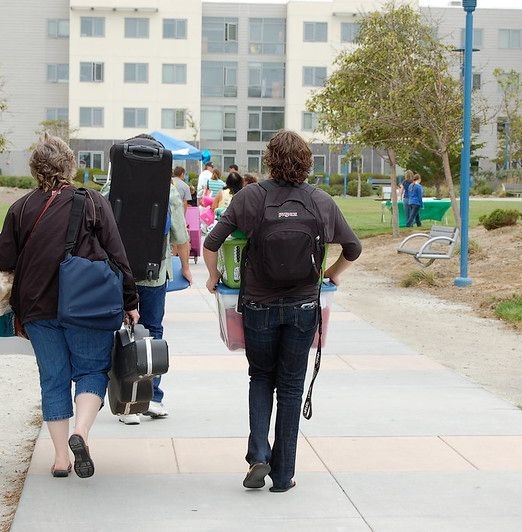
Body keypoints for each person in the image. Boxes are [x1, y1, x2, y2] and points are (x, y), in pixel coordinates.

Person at [202, 130, 361, 493]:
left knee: (260, 377)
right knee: (290, 387)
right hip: (304, 305)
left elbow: (212, 243)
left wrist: (213, 277)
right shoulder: (320, 201)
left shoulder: (251, 197)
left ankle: (259, 453)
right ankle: (283, 474)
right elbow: (353, 247)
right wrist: (332, 274)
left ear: (269, 160)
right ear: (307, 162)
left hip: (257, 304)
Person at [0, 135, 139, 479]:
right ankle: (81, 433)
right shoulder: (93, 202)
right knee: (91, 370)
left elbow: (2, 257)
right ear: (70, 165)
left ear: (34, 170)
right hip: (88, 306)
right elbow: (118, 256)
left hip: (37, 307)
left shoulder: (22, 208)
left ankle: (60, 458)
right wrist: (130, 301)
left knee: (53, 378)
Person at [118, 159, 193, 425]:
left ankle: (126, 402)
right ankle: (152, 396)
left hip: (118, 274)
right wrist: (185, 267)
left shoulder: (115, 184)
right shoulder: (168, 189)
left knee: (122, 333)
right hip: (154, 274)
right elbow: (180, 236)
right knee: (152, 331)